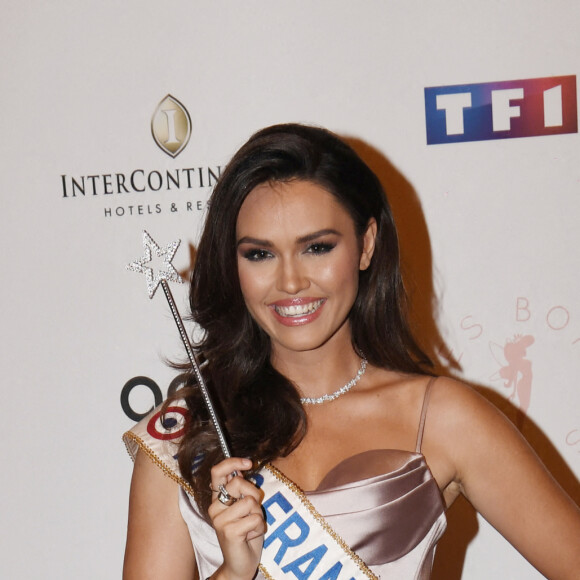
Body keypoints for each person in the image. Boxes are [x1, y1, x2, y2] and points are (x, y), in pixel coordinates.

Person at [123, 123, 580, 579]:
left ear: (366, 245)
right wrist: (234, 573)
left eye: (317, 248)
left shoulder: (441, 418)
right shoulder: (188, 437)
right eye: (260, 254)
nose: (290, 282)